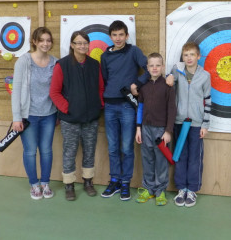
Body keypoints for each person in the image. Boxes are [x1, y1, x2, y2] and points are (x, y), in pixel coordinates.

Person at [50, 31, 104, 201]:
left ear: (89, 45)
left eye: (85, 43)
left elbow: (101, 88)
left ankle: (88, 182)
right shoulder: (62, 65)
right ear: (72, 45)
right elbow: (54, 92)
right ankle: (69, 184)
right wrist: (67, 109)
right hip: (70, 119)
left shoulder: (95, 65)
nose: (82, 46)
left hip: (91, 118)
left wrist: (98, 105)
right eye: (78, 43)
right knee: (69, 152)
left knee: (89, 150)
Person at [100, 20, 150, 201]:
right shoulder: (105, 57)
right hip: (110, 107)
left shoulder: (133, 51)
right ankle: (114, 180)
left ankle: (125, 183)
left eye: (121, 34)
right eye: (114, 35)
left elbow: (149, 69)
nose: (118, 38)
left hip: (128, 106)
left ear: (127, 36)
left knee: (127, 147)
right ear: (110, 37)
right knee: (113, 147)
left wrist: (137, 83)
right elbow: (106, 79)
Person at [11, 27, 58, 200]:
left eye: (48, 40)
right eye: (42, 40)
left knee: (46, 150)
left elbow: (58, 90)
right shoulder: (23, 62)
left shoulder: (55, 62)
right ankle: (34, 184)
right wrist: (17, 117)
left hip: (49, 114)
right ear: (35, 42)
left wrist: (59, 113)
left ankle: (45, 183)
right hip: (28, 115)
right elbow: (16, 91)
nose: (46, 43)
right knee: (30, 151)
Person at [166, 41, 211, 208]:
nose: (189, 58)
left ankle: (192, 189)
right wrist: (168, 76)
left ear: (199, 56)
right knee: (180, 155)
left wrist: (205, 124)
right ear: (182, 57)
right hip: (179, 122)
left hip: (196, 124)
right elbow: (168, 83)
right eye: (186, 55)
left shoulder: (205, 76)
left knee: (195, 158)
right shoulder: (177, 71)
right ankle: (181, 188)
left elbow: (208, 101)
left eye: (192, 54)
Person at [134, 53, 176, 206]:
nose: (155, 68)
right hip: (145, 129)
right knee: (147, 159)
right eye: (151, 65)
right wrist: (138, 128)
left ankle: (160, 190)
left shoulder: (168, 86)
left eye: (158, 65)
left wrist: (168, 131)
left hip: (161, 131)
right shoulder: (143, 87)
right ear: (147, 68)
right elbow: (140, 108)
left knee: (161, 160)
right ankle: (149, 188)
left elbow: (172, 110)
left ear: (163, 67)